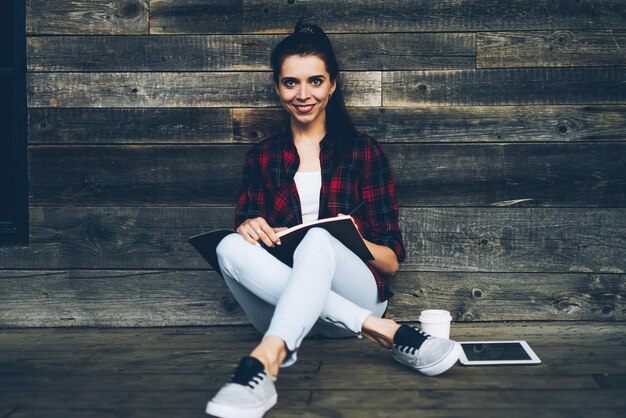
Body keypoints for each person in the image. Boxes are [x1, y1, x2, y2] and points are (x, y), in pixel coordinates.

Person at [205, 22, 462, 418]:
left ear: (332, 85)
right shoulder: (262, 157)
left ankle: (266, 360)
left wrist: (354, 237)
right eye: (291, 83)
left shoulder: (364, 153)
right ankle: (387, 332)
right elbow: (245, 245)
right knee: (227, 245)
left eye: (315, 81)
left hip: (358, 296)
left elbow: (392, 262)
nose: (303, 94)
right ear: (278, 88)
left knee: (320, 240)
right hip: (283, 306)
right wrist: (248, 228)